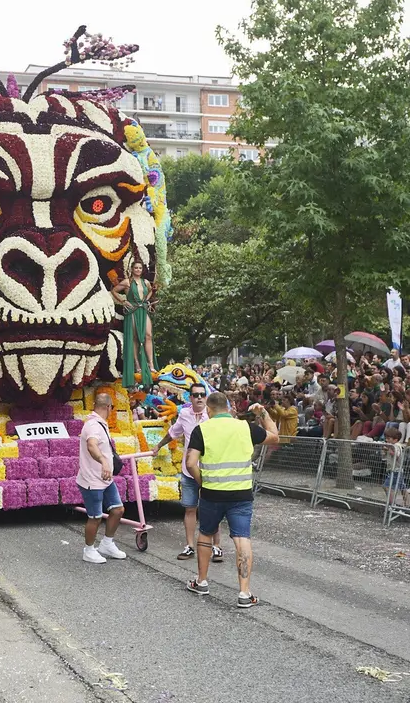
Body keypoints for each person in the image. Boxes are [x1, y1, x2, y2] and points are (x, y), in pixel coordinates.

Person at [184, 393, 278, 607]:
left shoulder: (202, 430)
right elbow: (275, 436)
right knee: (242, 538)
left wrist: (202, 482)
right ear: (228, 407)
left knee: (206, 534)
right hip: (240, 493)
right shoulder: (244, 427)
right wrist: (262, 412)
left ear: (208, 410)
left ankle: (202, 581)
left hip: (211, 493)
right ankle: (244, 593)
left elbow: (190, 463)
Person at [153, 383, 224, 562]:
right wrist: (158, 445)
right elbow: (173, 433)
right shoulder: (184, 414)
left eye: (202, 394)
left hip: (209, 470)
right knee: (190, 509)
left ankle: (216, 547)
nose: (199, 398)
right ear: (190, 398)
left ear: (206, 398)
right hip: (188, 471)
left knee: (212, 510)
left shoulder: (212, 416)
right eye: (195, 395)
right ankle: (190, 546)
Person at [76, 393, 129, 565]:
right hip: (92, 480)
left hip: (105, 479)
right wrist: (104, 461)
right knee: (95, 517)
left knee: (118, 510)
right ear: (108, 407)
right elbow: (91, 445)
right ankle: (89, 550)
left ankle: (107, 543)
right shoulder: (93, 425)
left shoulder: (99, 423)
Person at [111, 259, 156, 386]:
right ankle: (137, 365)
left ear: (142, 270)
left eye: (140, 268)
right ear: (132, 269)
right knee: (135, 338)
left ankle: (150, 364)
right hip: (132, 311)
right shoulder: (127, 282)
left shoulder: (145, 282)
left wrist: (146, 300)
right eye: (136, 268)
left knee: (148, 335)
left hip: (143, 309)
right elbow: (114, 290)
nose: (138, 270)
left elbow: (151, 290)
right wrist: (124, 301)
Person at [381, 426, 410, 508]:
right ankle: (408, 504)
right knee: (402, 487)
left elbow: (396, 455)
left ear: (395, 439)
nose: (387, 440)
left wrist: (388, 449)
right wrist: (384, 451)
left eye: (389, 438)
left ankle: (391, 504)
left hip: (396, 470)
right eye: (386, 438)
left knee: (386, 486)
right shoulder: (390, 445)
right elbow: (384, 457)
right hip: (393, 470)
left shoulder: (397, 446)